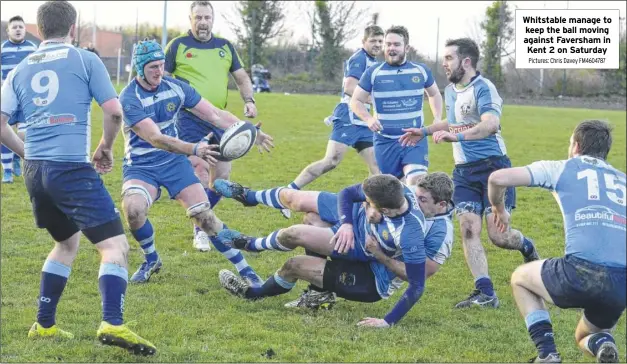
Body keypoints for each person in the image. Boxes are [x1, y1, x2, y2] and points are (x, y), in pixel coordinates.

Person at [0, 1, 155, 355]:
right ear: (74, 28)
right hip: (71, 168)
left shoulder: (20, 67)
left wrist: (28, 155)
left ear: (39, 29)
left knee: (66, 243)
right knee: (115, 246)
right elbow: (114, 112)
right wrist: (106, 147)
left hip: (36, 173)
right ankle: (113, 322)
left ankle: (44, 324)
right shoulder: (85, 59)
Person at [119, 39, 272, 286]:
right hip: (141, 165)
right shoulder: (129, 98)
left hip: (173, 163)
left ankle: (246, 270)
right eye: (152, 67)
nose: (159, 71)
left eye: (160, 65)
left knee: (206, 218)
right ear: (140, 69)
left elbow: (214, 114)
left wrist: (247, 130)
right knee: (134, 211)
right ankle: (151, 259)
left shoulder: (176, 87)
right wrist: (194, 149)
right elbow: (156, 138)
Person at [400, 37, 539, 309]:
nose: (444, 63)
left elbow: (490, 125)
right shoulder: (451, 89)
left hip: (494, 168)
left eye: (449, 58)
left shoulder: (484, 88)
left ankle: (527, 247)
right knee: (467, 228)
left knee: (499, 237)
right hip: (464, 172)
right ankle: (485, 292)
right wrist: (426, 131)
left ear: (466, 61)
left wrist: (457, 138)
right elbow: (452, 122)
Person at [488, 120, 625, 363]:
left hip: (579, 271)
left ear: (576, 146)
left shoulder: (562, 168)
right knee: (586, 336)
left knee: (520, 278)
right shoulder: (623, 180)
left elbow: (498, 178)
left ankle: (547, 353)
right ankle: (603, 345)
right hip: (621, 283)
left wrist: (500, 209)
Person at [213, 172, 454, 309]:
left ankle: (252, 281)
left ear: (441, 205)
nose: (415, 200)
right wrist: (366, 210)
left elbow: (416, 277)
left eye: (423, 200)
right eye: (417, 196)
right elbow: (366, 194)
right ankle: (247, 195)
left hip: (369, 267)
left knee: (294, 258)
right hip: (355, 223)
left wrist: (380, 255)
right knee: (296, 202)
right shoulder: (410, 195)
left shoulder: (437, 233)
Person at [164, 0, 263, 252]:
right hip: (188, 118)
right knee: (198, 170)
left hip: (220, 118)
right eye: (198, 18)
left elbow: (241, 77)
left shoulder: (225, 47)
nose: (203, 22)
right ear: (190, 20)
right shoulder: (177, 45)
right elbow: (161, 78)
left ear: (213, 19)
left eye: (207, 18)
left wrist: (249, 100)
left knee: (221, 180)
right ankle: (200, 230)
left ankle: (202, 220)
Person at [281, 26, 384, 218]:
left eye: (380, 41)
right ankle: (287, 193)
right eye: (373, 41)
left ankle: (369, 208)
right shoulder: (359, 59)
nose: (378, 44)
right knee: (331, 161)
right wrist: (374, 100)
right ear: (364, 42)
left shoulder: (375, 62)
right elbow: (349, 87)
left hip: (364, 120)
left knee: (376, 167)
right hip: (348, 116)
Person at [349, 25, 442, 187]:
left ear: (406, 47)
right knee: (391, 190)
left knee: (416, 180)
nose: (391, 48)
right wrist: (369, 119)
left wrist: (437, 118)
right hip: (385, 141)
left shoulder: (421, 70)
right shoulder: (373, 72)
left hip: (414, 139)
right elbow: (355, 101)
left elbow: (434, 94)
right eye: (388, 44)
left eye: (396, 45)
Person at [1, 15, 37, 183]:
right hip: (7, 98)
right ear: (8, 30)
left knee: (23, 133)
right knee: (3, 133)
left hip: (26, 99)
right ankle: (6, 171)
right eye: (14, 27)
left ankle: (17, 154)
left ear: (25, 30)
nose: (17, 29)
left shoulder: (32, 48)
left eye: (20, 27)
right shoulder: (2, 49)